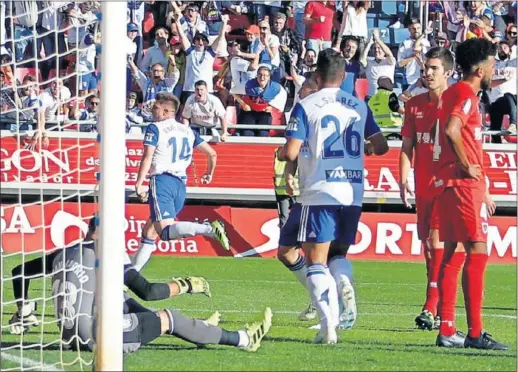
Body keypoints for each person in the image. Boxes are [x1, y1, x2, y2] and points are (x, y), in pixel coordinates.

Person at [8, 218, 272, 353]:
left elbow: (19, 271)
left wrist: (24, 310)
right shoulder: (108, 253)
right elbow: (148, 291)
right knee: (169, 318)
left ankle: (202, 329)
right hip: (99, 339)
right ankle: (243, 339)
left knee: (122, 302)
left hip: (69, 339)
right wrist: (186, 285)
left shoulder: (64, 252)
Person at [279, 49, 388, 344]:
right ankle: (342, 279)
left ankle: (328, 325)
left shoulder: (307, 105)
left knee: (316, 261)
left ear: (317, 75)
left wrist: (283, 155)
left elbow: (290, 151)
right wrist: (362, 148)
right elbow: (381, 147)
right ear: (344, 76)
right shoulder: (358, 105)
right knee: (336, 255)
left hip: (319, 190)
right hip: (352, 192)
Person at [433, 38, 507, 350]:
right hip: (463, 185)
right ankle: (475, 332)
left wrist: (484, 187)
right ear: (479, 69)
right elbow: (452, 130)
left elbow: (459, 134)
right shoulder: (465, 94)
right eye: (492, 64)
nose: (495, 70)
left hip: (454, 184)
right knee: (478, 251)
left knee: (452, 256)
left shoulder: (453, 92)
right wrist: (468, 167)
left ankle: (448, 329)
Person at [399, 47, 464, 334]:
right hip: (423, 186)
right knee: (428, 247)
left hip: (449, 185)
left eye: (433, 68)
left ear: (447, 72)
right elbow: (406, 147)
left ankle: (431, 306)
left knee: (437, 242)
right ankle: (436, 308)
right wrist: (403, 179)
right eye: (425, 68)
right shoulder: (414, 105)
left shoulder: (460, 103)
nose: (427, 73)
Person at [132, 93, 230, 272]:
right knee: (149, 232)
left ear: (166, 111)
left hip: (162, 181)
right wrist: (208, 173)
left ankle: (209, 229)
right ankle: (130, 276)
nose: (153, 110)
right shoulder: (188, 131)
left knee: (165, 233)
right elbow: (212, 154)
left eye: (156, 107)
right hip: (180, 186)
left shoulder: (155, 128)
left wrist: (139, 183)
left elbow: (147, 157)